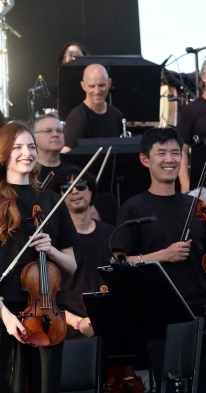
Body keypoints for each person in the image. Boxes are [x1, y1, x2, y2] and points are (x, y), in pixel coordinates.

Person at [0, 121, 79, 393]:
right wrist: (2, 311)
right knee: (11, 385)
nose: (26, 152)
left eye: (30, 146)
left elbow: (71, 266)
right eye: (17, 147)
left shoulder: (52, 200)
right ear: (2, 155)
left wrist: (50, 250)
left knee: (47, 386)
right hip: (7, 307)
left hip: (50, 312)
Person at [113, 128, 206, 387]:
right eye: (161, 153)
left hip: (200, 314)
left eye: (176, 153)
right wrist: (162, 256)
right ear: (145, 159)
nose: (170, 159)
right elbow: (119, 265)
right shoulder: (134, 207)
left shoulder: (196, 207)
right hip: (161, 319)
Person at [51, 168, 113, 340]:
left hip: (110, 325)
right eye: (66, 187)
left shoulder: (111, 234)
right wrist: (78, 322)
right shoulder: (55, 241)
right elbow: (47, 294)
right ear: (60, 197)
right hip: (71, 330)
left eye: (80, 185)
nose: (75, 191)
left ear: (90, 190)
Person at [62, 64, 124, 152]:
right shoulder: (76, 118)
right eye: (92, 86)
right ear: (83, 86)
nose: (97, 91)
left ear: (109, 83)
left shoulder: (116, 114)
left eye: (101, 85)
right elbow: (66, 152)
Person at [177, 60, 206, 193]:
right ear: (204, 77)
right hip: (200, 187)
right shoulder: (191, 110)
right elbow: (182, 150)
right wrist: (185, 184)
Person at [31, 113, 79, 184]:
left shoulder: (74, 173)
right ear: (34, 139)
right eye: (48, 131)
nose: (55, 135)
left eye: (59, 131)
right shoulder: (26, 172)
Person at [44, 42, 88, 113]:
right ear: (62, 60)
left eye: (78, 55)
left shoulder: (91, 88)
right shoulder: (53, 91)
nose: (74, 58)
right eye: (70, 54)